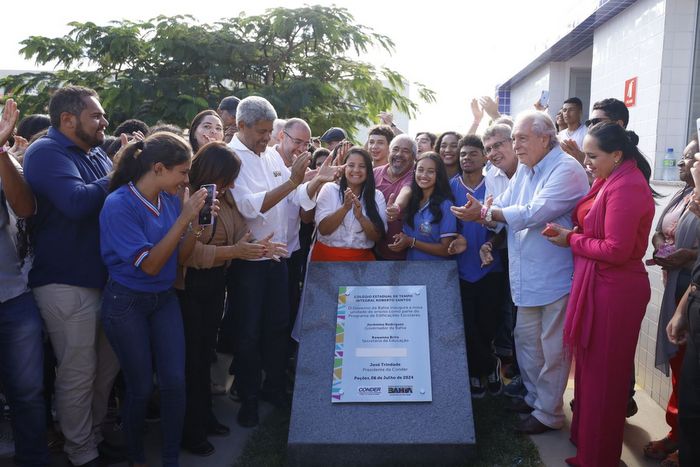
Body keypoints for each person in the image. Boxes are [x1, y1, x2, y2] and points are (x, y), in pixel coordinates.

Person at [451, 110, 589, 434]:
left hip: (555, 277)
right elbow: (499, 211)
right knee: (527, 343)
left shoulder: (566, 169)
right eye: (514, 139)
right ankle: (535, 398)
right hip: (527, 279)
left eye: (520, 138)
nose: (516, 145)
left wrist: (484, 212)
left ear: (545, 137)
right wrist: (482, 213)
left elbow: (531, 213)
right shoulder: (526, 171)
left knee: (553, 349)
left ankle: (548, 413)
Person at [546, 122, 656, 467]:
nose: (586, 161)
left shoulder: (627, 187)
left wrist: (572, 239)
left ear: (617, 155)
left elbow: (617, 249)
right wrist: (577, 232)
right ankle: (588, 444)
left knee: (605, 380)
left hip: (615, 291)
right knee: (592, 375)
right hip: (600, 285)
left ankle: (599, 457)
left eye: (592, 156)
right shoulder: (611, 179)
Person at [23, 85, 121, 467]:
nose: (104, 122)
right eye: (96, 116)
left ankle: (92, 436)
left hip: (103, 280)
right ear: (68, 119)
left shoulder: (94, 151)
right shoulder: (45, 153)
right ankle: (80, 451)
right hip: (65, 283)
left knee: (104, 370)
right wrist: (119, 172)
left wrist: (116, 171)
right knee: (78, 372)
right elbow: (77, 203)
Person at [100, 132, 210, 467]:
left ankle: (169, 458)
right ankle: (136, 457)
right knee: (140, 388)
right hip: (127, 302)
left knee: (175, 382)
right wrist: (182, 219)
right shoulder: (119, 204)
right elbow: (149, 265)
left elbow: (179, 259)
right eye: (182, 172)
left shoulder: (171, 198)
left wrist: (194, 225)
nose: (187, 180)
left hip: (163, 299)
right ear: (158, 168)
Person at [228, 97, 335, 427]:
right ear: (241, 125)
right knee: (248, 333)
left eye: (268, 132)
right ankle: (247, 397)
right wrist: (292, 180)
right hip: (250, 260)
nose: (266, 138)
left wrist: (315, 180)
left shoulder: (268, 156)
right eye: (262, 132)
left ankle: (273, 388)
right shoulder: (233, 158)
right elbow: (249, 207)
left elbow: (295, 198)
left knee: (276, 327)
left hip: (279, 258)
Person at [176, 142, 281, 457]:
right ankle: (190, 430)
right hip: (192, 287)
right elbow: (190, 255)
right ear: (214, 174)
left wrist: (255, 247)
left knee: (205, 354)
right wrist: (236, 251)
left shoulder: (225, 199)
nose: (233, 185)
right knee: (193, 360)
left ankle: (205, 418)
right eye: (229, 178)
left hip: (214, 285)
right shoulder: (192, 199)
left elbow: (237, 237)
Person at [0, 99, 50, 466]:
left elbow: (26, 208)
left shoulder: (4, 158)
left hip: (13, 297)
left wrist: (1, 153)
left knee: (29, 392)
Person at [645, 137, 700, 467]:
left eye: (692, 158)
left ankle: (685, 440)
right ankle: (678, 432)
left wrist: (688, 255)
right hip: (680, 290)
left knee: (688, 371)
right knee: (681, 367)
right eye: (683, 158)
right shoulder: (683, 195)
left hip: (689, 287)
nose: (684, 163)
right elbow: (660, 229)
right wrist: (660, 244)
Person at [448, 136, 506, 398]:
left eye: (472, 154)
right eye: (462, 154)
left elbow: (507, 227)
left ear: (484, 157)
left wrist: (491, 245)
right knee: (466, 324)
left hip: (489, 268)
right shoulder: (450, 187)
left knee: (487, 323)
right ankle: (479, 369)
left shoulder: (495, 185)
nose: (466, 158)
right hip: (460, 269)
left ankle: (489, 364)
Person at [312, 147, 387, 261]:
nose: (356, 170)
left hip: (362, 263)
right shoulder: (329, 189)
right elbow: (323, 229)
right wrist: (345, 208)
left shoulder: (377, 196)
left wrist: (361, 217)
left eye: (362, 166)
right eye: (351, 165)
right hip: (326, 258)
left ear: (369, 170)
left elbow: (377, 237)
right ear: (343, 168)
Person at [386, 152, 456, 260]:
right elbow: (410, 234)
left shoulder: (445, 205)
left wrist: (411, 242)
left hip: (435, 271)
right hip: (411, 269)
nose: (424, 175)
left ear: (439, 175)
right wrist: (402, 239)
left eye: (430, 171)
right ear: (414, 172)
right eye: (420, 170)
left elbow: (446, 249)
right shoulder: (413, 201)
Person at [373, 134, 416, 260]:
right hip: (374, 250)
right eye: (395, 149)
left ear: (413, 157)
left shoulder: (416, 175)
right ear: (389, 153)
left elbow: (406, 190)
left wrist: (397, 206)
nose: (399, 154)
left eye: (405, 151)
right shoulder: (374, 173)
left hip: (406, 255)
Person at [559, 97, 587, 163]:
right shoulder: (560, 134)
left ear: (580, 112)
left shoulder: (587, 132)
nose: (567, 113)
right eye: (564, 110)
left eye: (571, 110)